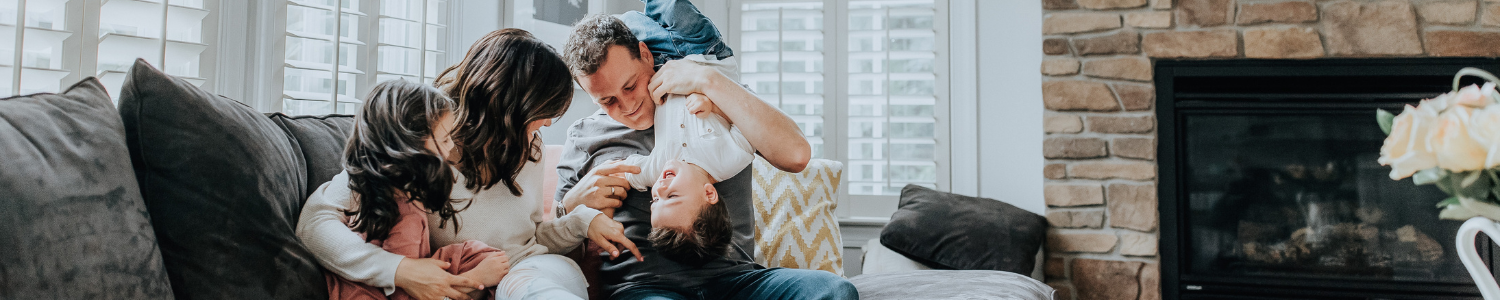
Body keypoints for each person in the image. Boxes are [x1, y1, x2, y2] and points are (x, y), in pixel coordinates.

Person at [298, 29, 641, 300]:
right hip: (476, 281)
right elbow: (315, 222)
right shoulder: (420, 144)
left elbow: (529, 239)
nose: (548, 124)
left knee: (529, 285)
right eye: (542, 112)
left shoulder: (530, 147)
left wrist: (578, 220)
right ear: (506, 105)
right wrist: (399, 270)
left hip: (534, 271)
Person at [557, 0, 858, 299]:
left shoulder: (713, 97)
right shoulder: (584, 138)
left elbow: (796, 155)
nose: (627, 106)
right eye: (607, 101)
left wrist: (707, 79)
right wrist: (570, 207)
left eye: (630, 85)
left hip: (737, 281)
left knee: (835, 291)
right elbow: (557, 249)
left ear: (645, 55)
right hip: (647, 288)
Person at [304, 79, 512, 300]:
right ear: (409, 144)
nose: (451, 147)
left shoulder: (416, 182)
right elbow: (313, 224)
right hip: (380, 286)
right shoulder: (379, 189)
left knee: (477, 255)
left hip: (420, 266)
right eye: (444, 139)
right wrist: (402, 270)